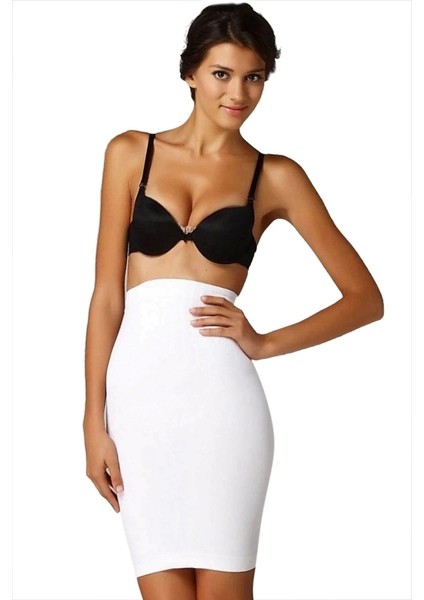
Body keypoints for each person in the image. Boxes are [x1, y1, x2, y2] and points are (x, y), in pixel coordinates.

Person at [82, 3, 384, 599]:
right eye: (222, 74)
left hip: (224, 410)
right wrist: (94, 418)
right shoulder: (129, 153)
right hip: (138, 409)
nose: (238, 93)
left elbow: (364, 299)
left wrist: (264, 342)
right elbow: (106, 296)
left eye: (254, 77)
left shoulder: (275, 176)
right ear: (190, 72)